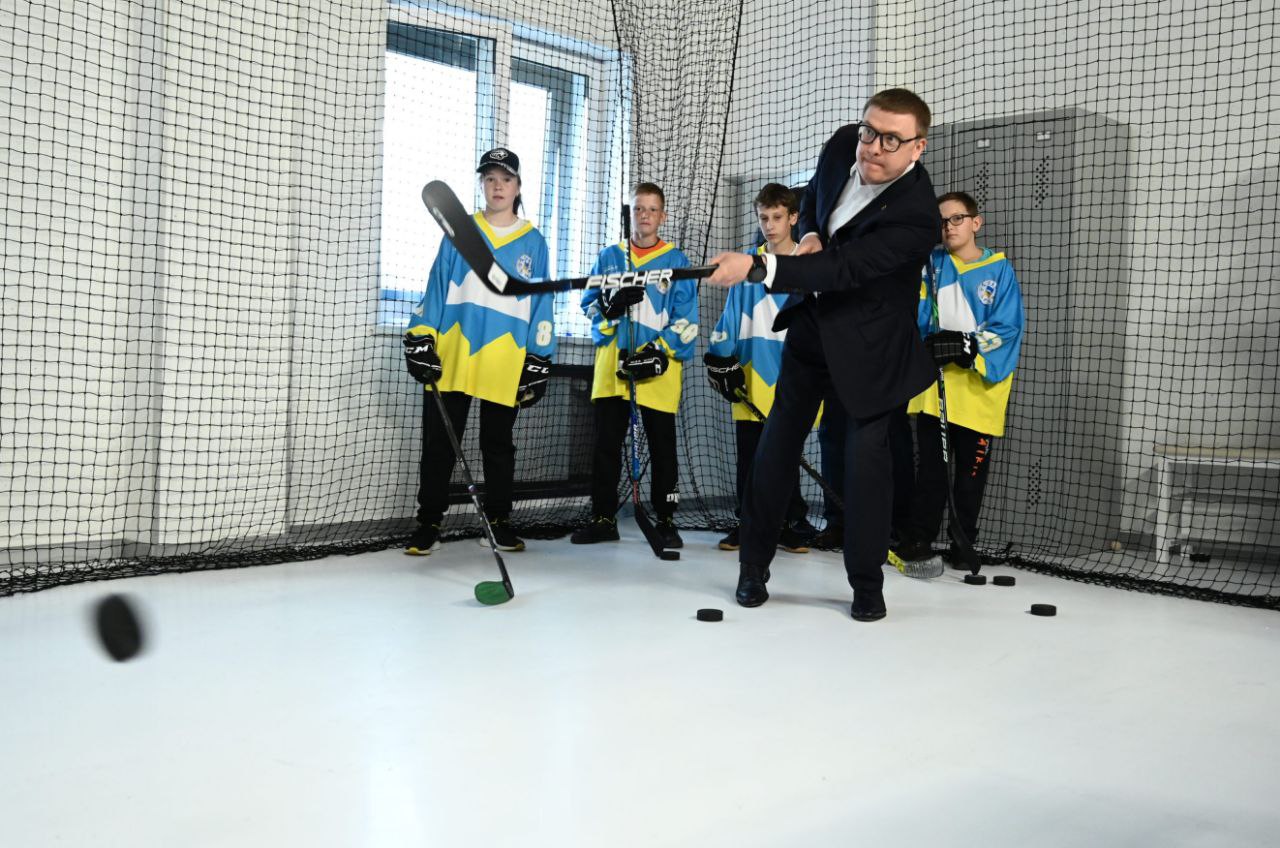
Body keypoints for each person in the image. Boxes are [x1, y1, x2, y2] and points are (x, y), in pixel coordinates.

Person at [706, 88, 940, 622]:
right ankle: (752, 568)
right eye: (869, 131)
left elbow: (845, 269)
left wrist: (758, 267)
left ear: (917, 148)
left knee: (866, 467)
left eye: (891, 139)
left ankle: (866, 585)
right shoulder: (841, 146)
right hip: (813, 332)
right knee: (775, 448)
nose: (873, 146)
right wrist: (810, 231)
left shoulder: (918, 217)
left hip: (873, 350)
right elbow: (815, 195)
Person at [402, 148, 555, 555]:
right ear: (483, 185)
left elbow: (542, 303)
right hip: (455, 354)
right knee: (439, 444)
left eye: (506, 179)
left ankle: (499, 520)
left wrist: (539, 356)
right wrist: (421, 336)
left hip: (505, 358)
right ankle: (429, 522)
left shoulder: (534, 243)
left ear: (518, 187)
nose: (497, 186)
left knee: (498, 445)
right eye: (490, 179)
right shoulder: (459, 232)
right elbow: (436, 287)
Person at [895, 191, 1025, 566]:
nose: (949, 227)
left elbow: (1009, 327)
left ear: (975, 222)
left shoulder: (999, 270)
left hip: (979, 393)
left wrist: (967, 345)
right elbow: (913, 317)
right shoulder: (930, 265)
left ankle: (963, 543)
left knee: (971, 474)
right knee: (931, 472)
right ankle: (919, 539)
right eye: (942, 221)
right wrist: (929, 342)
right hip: (935, 390)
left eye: (957, 219)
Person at [570, 182, 697, 549]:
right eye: (638, 208)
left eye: (652, 209)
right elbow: (588, 305)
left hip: (658, 371)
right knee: (605, 446)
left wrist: (657, 352)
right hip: (613, 368)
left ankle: (667, 518)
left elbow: (687, 319)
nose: (645, 215)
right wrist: (610, 309)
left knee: (663, 448)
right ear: (629, 214)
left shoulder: (677, 262)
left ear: (663, 216)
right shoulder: (610, 257)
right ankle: (603, 518)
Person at [705, 183, 815, 553]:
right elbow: (732, 315)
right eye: (763, 217)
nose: (769, 225)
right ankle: (747, 524)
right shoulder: (748, 266)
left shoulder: (809, 263)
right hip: (752, 375)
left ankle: (789, 523)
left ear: (794, 218)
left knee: (787, 455)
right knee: (750, 456)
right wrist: (720, 357)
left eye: (777, 217)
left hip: (793, 375)